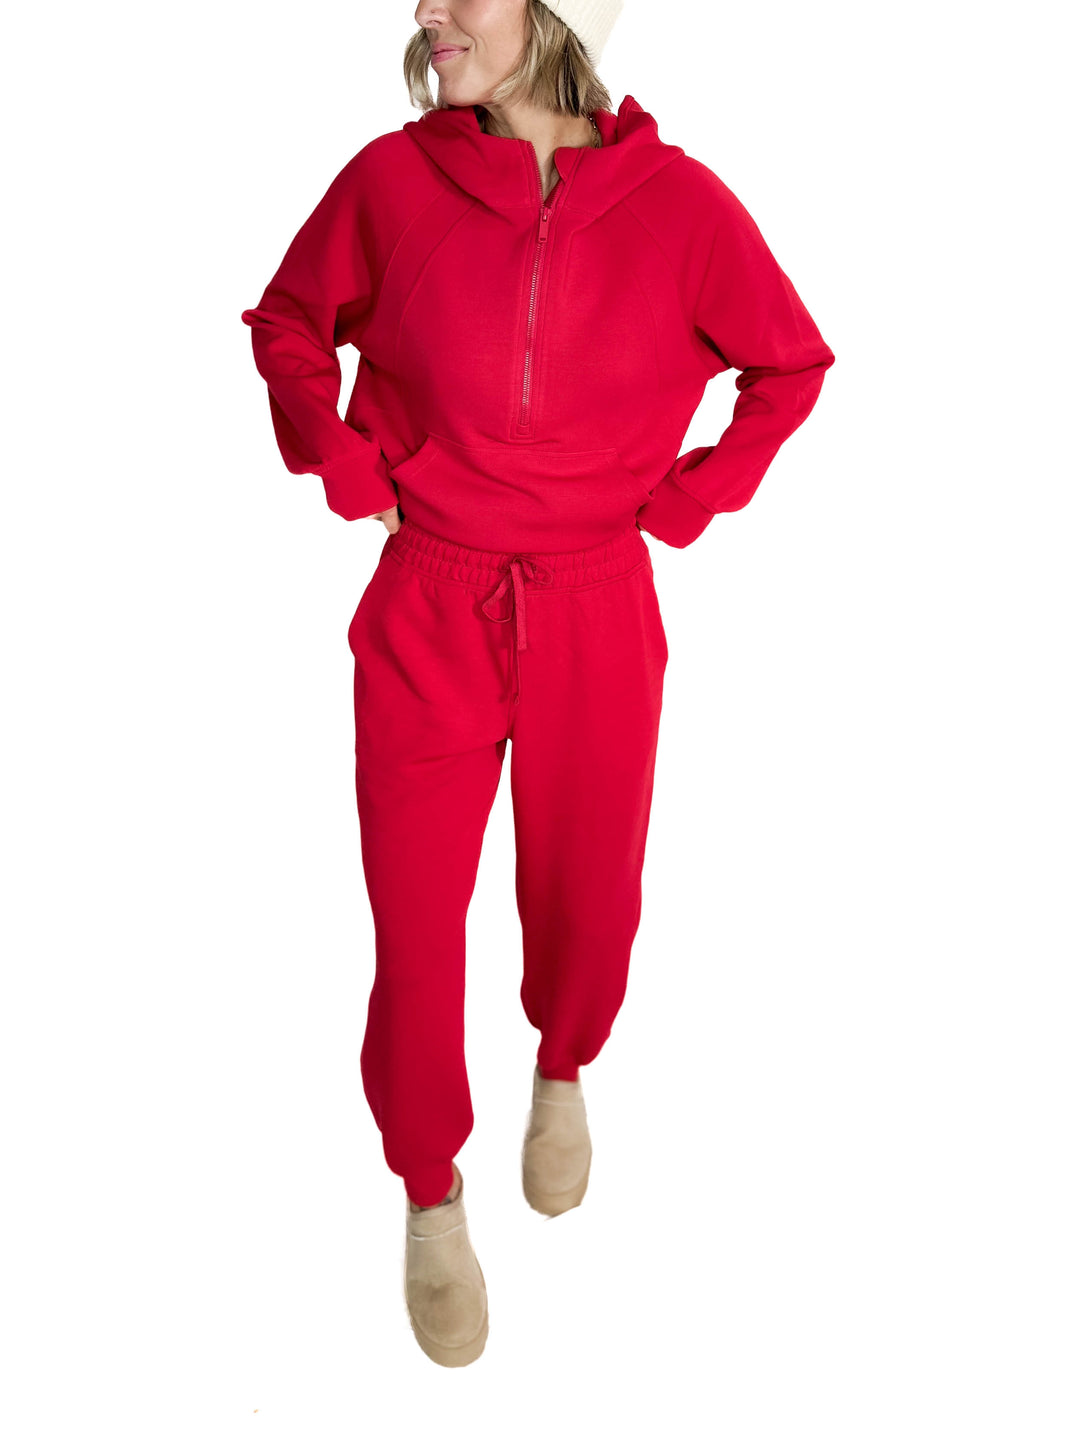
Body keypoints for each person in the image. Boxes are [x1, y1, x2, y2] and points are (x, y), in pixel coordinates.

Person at [240, 0, 835, 1367]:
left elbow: (790, 366)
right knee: (416, 919)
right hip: (430, 597)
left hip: (596, 600)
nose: (427, 11)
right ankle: (428, 1189)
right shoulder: (390, 183)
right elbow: (286, 323)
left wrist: (687, 502)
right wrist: (346, 467)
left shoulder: (680, 207)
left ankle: (564, 1066)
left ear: (558, 14)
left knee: (587, 886)